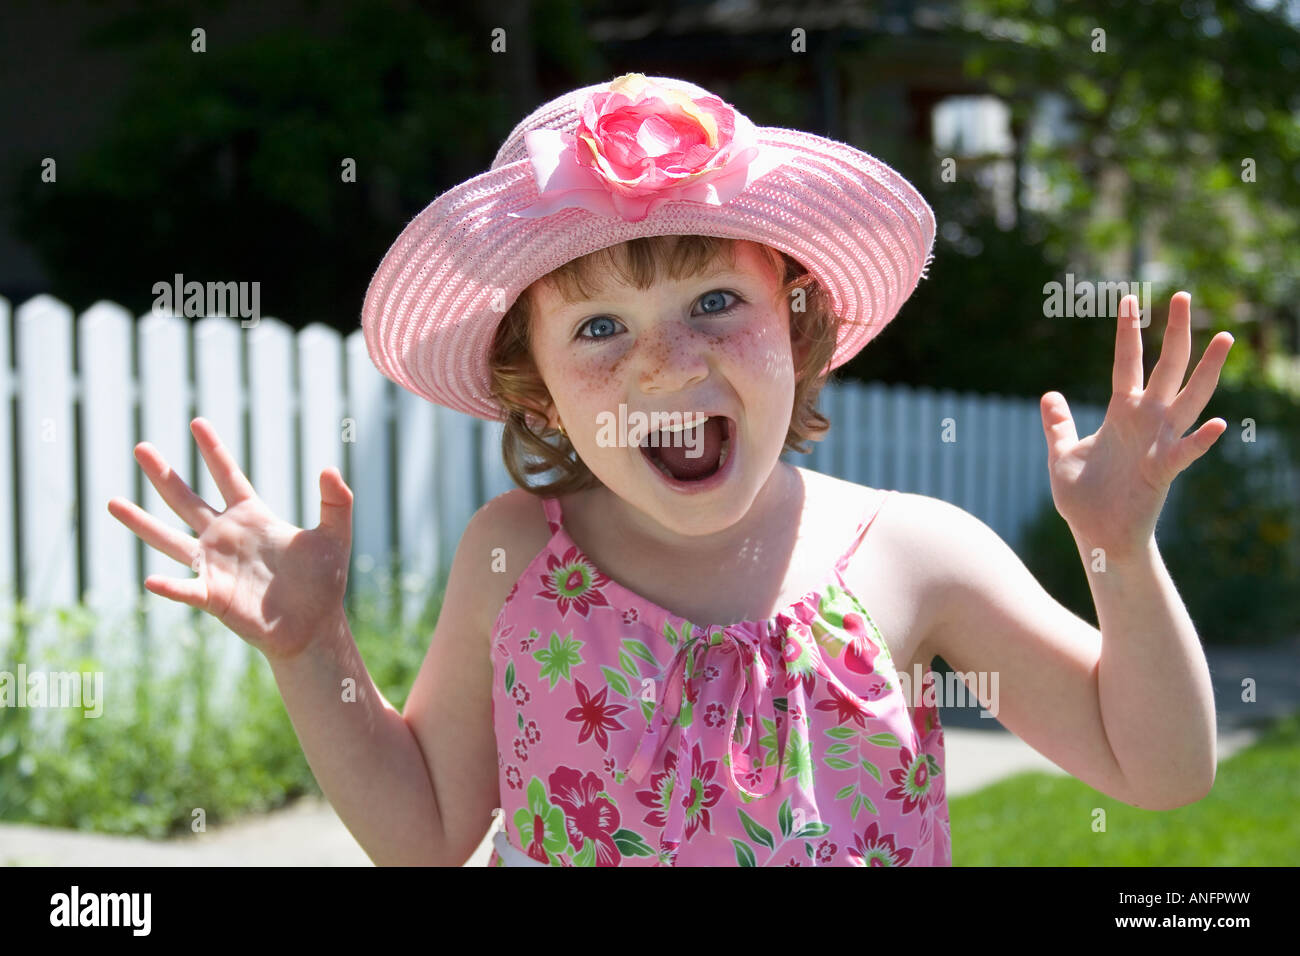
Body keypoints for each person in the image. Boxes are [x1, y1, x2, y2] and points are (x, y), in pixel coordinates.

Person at [109, 73, 1232, 867]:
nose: (664, 360)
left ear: (794, 329)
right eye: (598, 328)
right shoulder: (516, 554)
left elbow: (1161, 767)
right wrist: (314, 652)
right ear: (536, 388)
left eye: (712, 302)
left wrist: (1118, 554)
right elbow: (425, 834)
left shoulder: (911, 553)